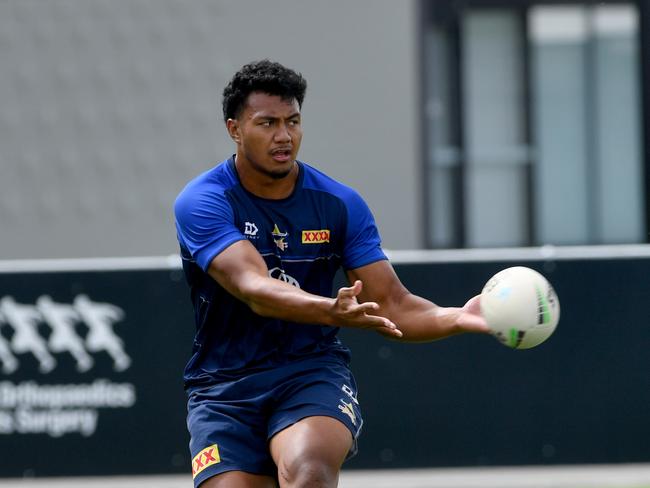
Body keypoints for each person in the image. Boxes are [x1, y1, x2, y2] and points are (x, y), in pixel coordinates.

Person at [174, 59, 490, 488]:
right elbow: (253, 289)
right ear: (234, 129)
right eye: (267, 123)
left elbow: (393, 304)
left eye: (293, 121)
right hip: (223, 388)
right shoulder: (203, 201)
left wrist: (458, 317)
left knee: (309, 470)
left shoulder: (340, 204)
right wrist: (330, 310)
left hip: (310, 373)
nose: (284, 136)